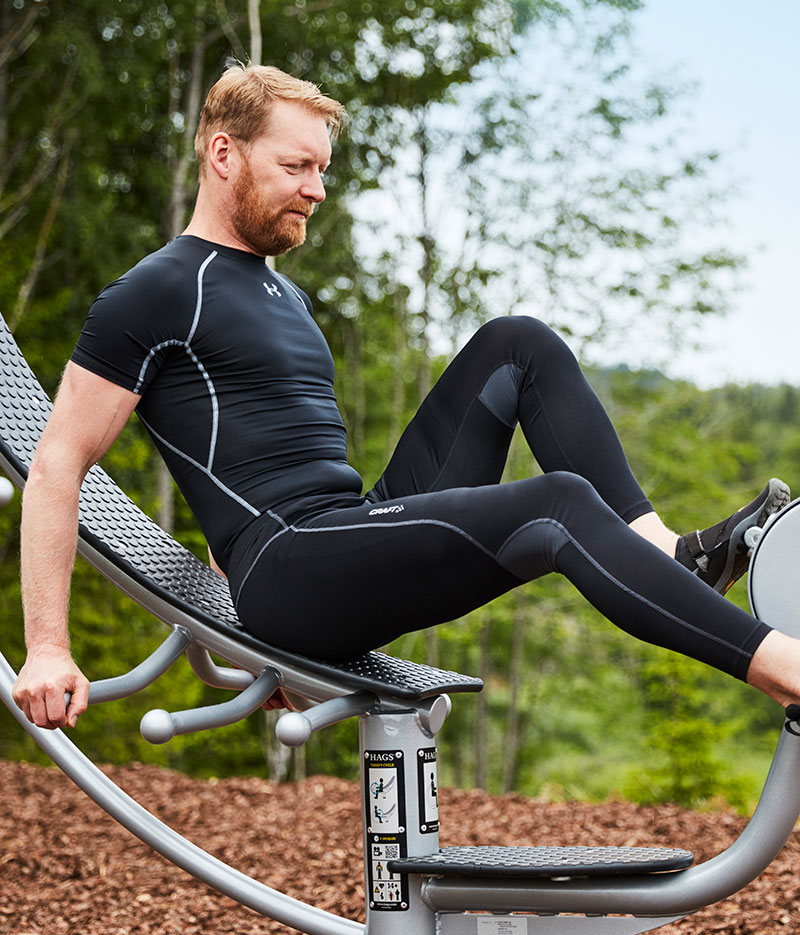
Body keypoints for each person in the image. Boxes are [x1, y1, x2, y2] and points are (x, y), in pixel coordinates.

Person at [11, 64, 800, 733]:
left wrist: (249, 636)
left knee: (516, 343)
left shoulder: (283, 296)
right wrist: (48, 645)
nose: (317, 189)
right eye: (296, 167)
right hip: (290, 565)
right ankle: (781, 666)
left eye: (322, 169)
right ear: (225, 154)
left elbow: (230, 459)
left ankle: (671, 556)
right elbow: (57, 465)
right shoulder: (152, 293)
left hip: (341, 537)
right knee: (555, 505)